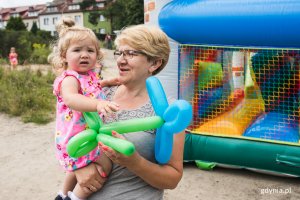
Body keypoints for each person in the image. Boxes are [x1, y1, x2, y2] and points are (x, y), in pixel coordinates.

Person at [73, 24, 185, 200]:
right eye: (119, 53)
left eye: (130, 53)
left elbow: (172, 178)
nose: (120, 60)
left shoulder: (169, 113)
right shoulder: (100, 95)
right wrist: (77, 167)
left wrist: (135, 163)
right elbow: (67, 132)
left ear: (155, 63)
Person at [48, 17, 120, 200]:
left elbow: (91, 88)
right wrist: (98, 104)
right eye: (77, 50)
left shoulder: (89, 75)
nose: (85, 55)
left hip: (84, 135)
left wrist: (106, 82)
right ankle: (75, 197)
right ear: (64, 56)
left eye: (90, 50)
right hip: (77, 138)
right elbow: (72, 98)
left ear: (97, 55)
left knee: (75, 169)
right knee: (105, 166)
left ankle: (61, 195)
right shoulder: (69, 78)